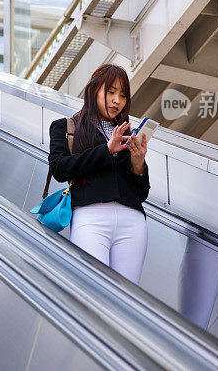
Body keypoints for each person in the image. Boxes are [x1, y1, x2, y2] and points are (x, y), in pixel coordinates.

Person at [48, 63, 150, 284]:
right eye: (110, 92)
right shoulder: (66, 127)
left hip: (132, 221)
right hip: (90, 217)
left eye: (123, 95)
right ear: (94, 89)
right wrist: (106, 150)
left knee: (128, 299)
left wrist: (138, 164)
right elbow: (59, 168)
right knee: (93, 291)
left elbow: (142, 193)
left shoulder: (127, 133)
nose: (117, 101)